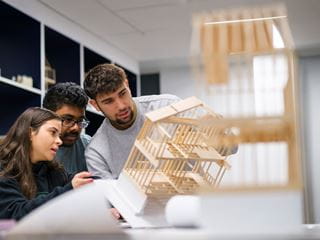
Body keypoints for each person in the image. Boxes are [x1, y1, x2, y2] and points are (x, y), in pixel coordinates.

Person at [84, 64, 180, 179]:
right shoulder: (97, 153)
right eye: (109, 101)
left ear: (127, 84)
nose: (121, 106)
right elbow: (109, 195)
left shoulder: (169, 106)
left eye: (122, 93)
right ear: (95, 105)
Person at [0, 107, 94, 220]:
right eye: (53, 132)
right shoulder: (4, 169)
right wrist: (69, 189)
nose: (59, 141)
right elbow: (15, 214)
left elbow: (76, 186)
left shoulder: (53, 170)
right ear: (30, 132)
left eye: (59, 135)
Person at [43, 82, 91, 173]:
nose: (76, 128)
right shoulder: (29, 149)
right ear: (46, 117)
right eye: (68, 120)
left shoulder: (89, 146)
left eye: (80, 121)